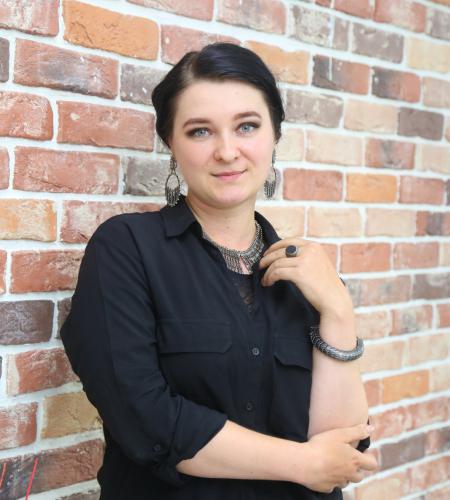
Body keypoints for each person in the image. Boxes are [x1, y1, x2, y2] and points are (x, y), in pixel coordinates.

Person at [60, 42, 378, 499]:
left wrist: (338, 311)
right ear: (171, 144)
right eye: (200, 131)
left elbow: (343, 447)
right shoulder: (127, 249)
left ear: (275, 135)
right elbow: (145, 419)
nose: (227, 151)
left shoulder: (309, 275)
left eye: (247, 126)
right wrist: (302, 463)